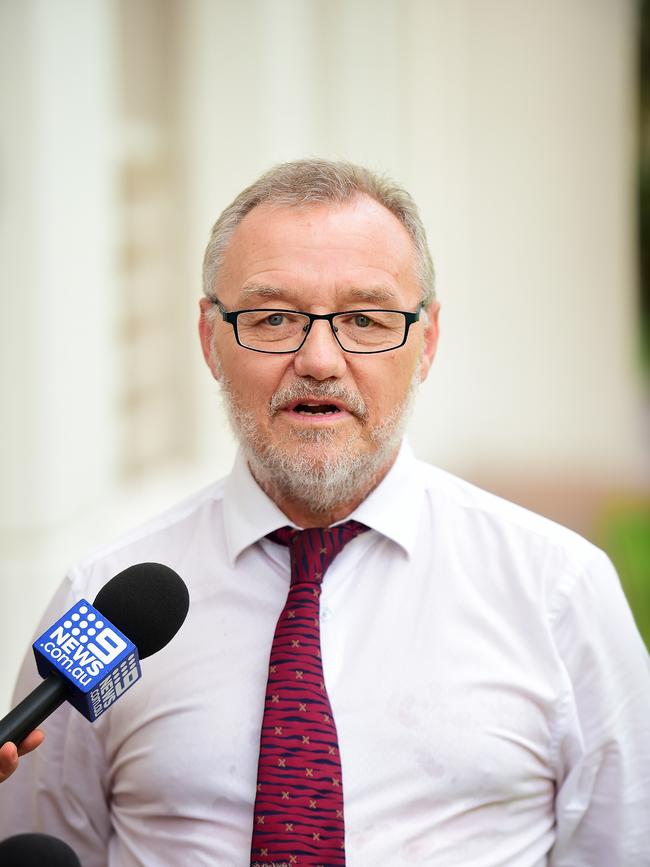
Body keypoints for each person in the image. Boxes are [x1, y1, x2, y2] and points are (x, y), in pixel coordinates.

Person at [0, 159, 648, 866]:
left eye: (365, 319)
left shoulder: (559, 591)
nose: (318, 359)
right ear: (209, 338)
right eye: (273, 317)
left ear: (426, 340)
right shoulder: (104, 601)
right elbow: (38, 844)